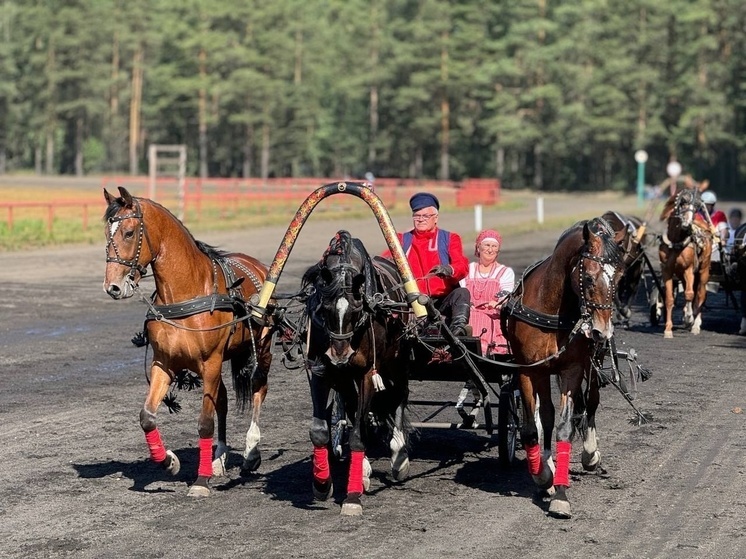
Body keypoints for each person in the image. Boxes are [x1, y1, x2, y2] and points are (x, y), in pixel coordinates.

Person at [383, 192, 471, 335]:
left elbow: (462, 266)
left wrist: (449, 269)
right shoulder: (402, 240)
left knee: (462, 293)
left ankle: (457, 333)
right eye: (417, 216)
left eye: (425, 216)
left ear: (435, 218)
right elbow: (383, 263)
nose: (420, 220)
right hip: (411, 302)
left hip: (442, 301)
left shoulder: (450, 238)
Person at [460, 229, 515, 356]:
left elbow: (506, 296)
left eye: (494, 246)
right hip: (469, 313)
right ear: (478, 248)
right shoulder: (468, 269)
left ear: (498, 251)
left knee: (483, 318)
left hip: (492, 315)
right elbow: (461, 292)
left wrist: (497, 303)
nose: (490, 250)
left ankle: (483, 352)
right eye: (487, 245)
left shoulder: (504, 272)